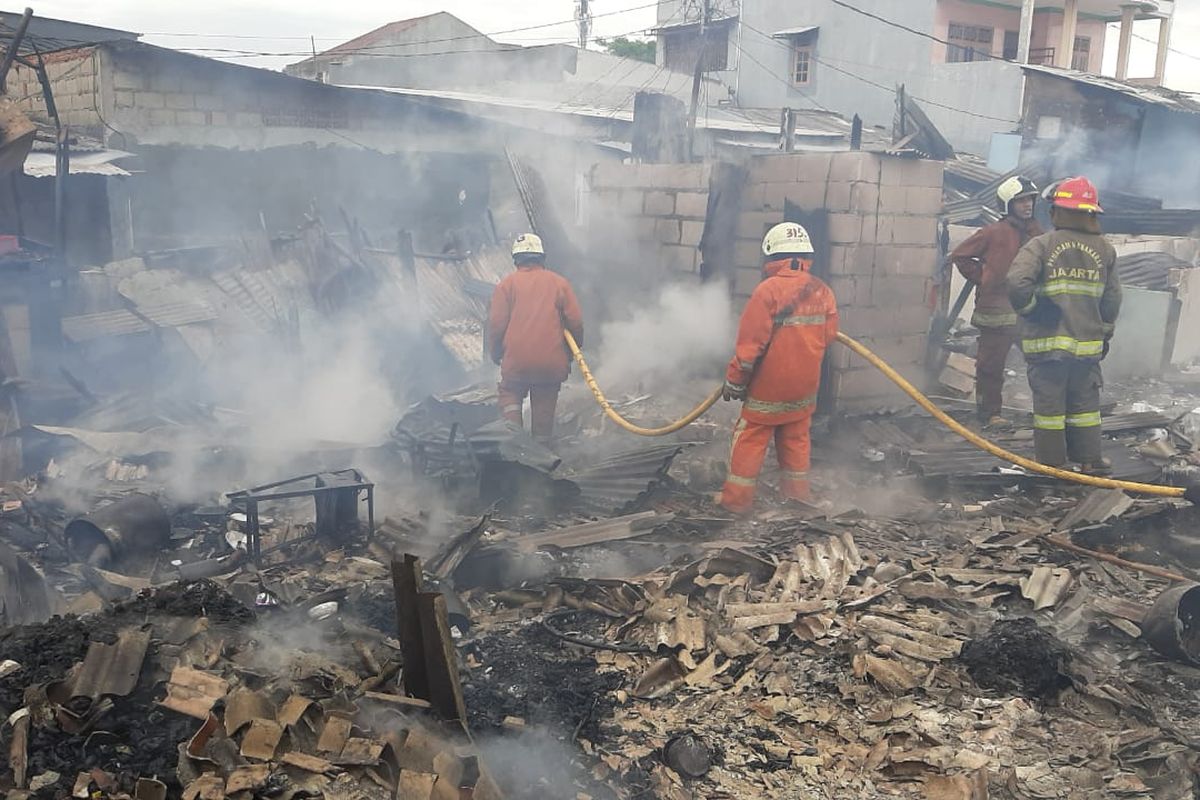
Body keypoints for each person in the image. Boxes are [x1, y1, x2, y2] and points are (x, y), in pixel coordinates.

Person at [719, 222, 839, 513]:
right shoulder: (822, 290)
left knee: (749, 440)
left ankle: (736, 504)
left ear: (772, 257)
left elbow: (749, 348)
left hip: (767, 391)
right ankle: (796, 499)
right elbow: (830, 336)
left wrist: (734, 380)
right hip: (804, 390)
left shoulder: (767, 291)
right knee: (796, 442)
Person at [1008, 176, 1121, 474]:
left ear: (1057, 211)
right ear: (1092, 213)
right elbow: (1112, 299)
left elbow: (1017, 283)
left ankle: (1053, 465)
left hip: (1047, 346)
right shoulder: (1106, 250)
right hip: (1087, 346)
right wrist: (1105, 333)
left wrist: (1033, 309)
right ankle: (1089, 460)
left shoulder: (1042, 245)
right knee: (1085, 406)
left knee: (1050, 409)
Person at [949, 175, 1043, 428]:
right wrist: (985, 277)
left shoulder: (1038, 234)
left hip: (1030, 313)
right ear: (1007, 204)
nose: (1027, 205)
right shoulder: (993, 232)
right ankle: (991, 414)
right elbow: (960, 256)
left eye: (1030, 200)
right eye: (1020, 201)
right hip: (996, 312)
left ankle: (1048, 410)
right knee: (990, 366)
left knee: (1043, 361)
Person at [487, 233, 584, 447]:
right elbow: (575, 322)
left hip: (516, 362)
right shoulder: (560, 284)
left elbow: (496, 325)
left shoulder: (506, 285)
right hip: (551, 363)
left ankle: (515, 447)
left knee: (510, 393)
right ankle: (541, 458)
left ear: (516, 259)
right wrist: (572, 352)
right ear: (541, 257)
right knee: (545, 400)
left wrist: (495, 353)